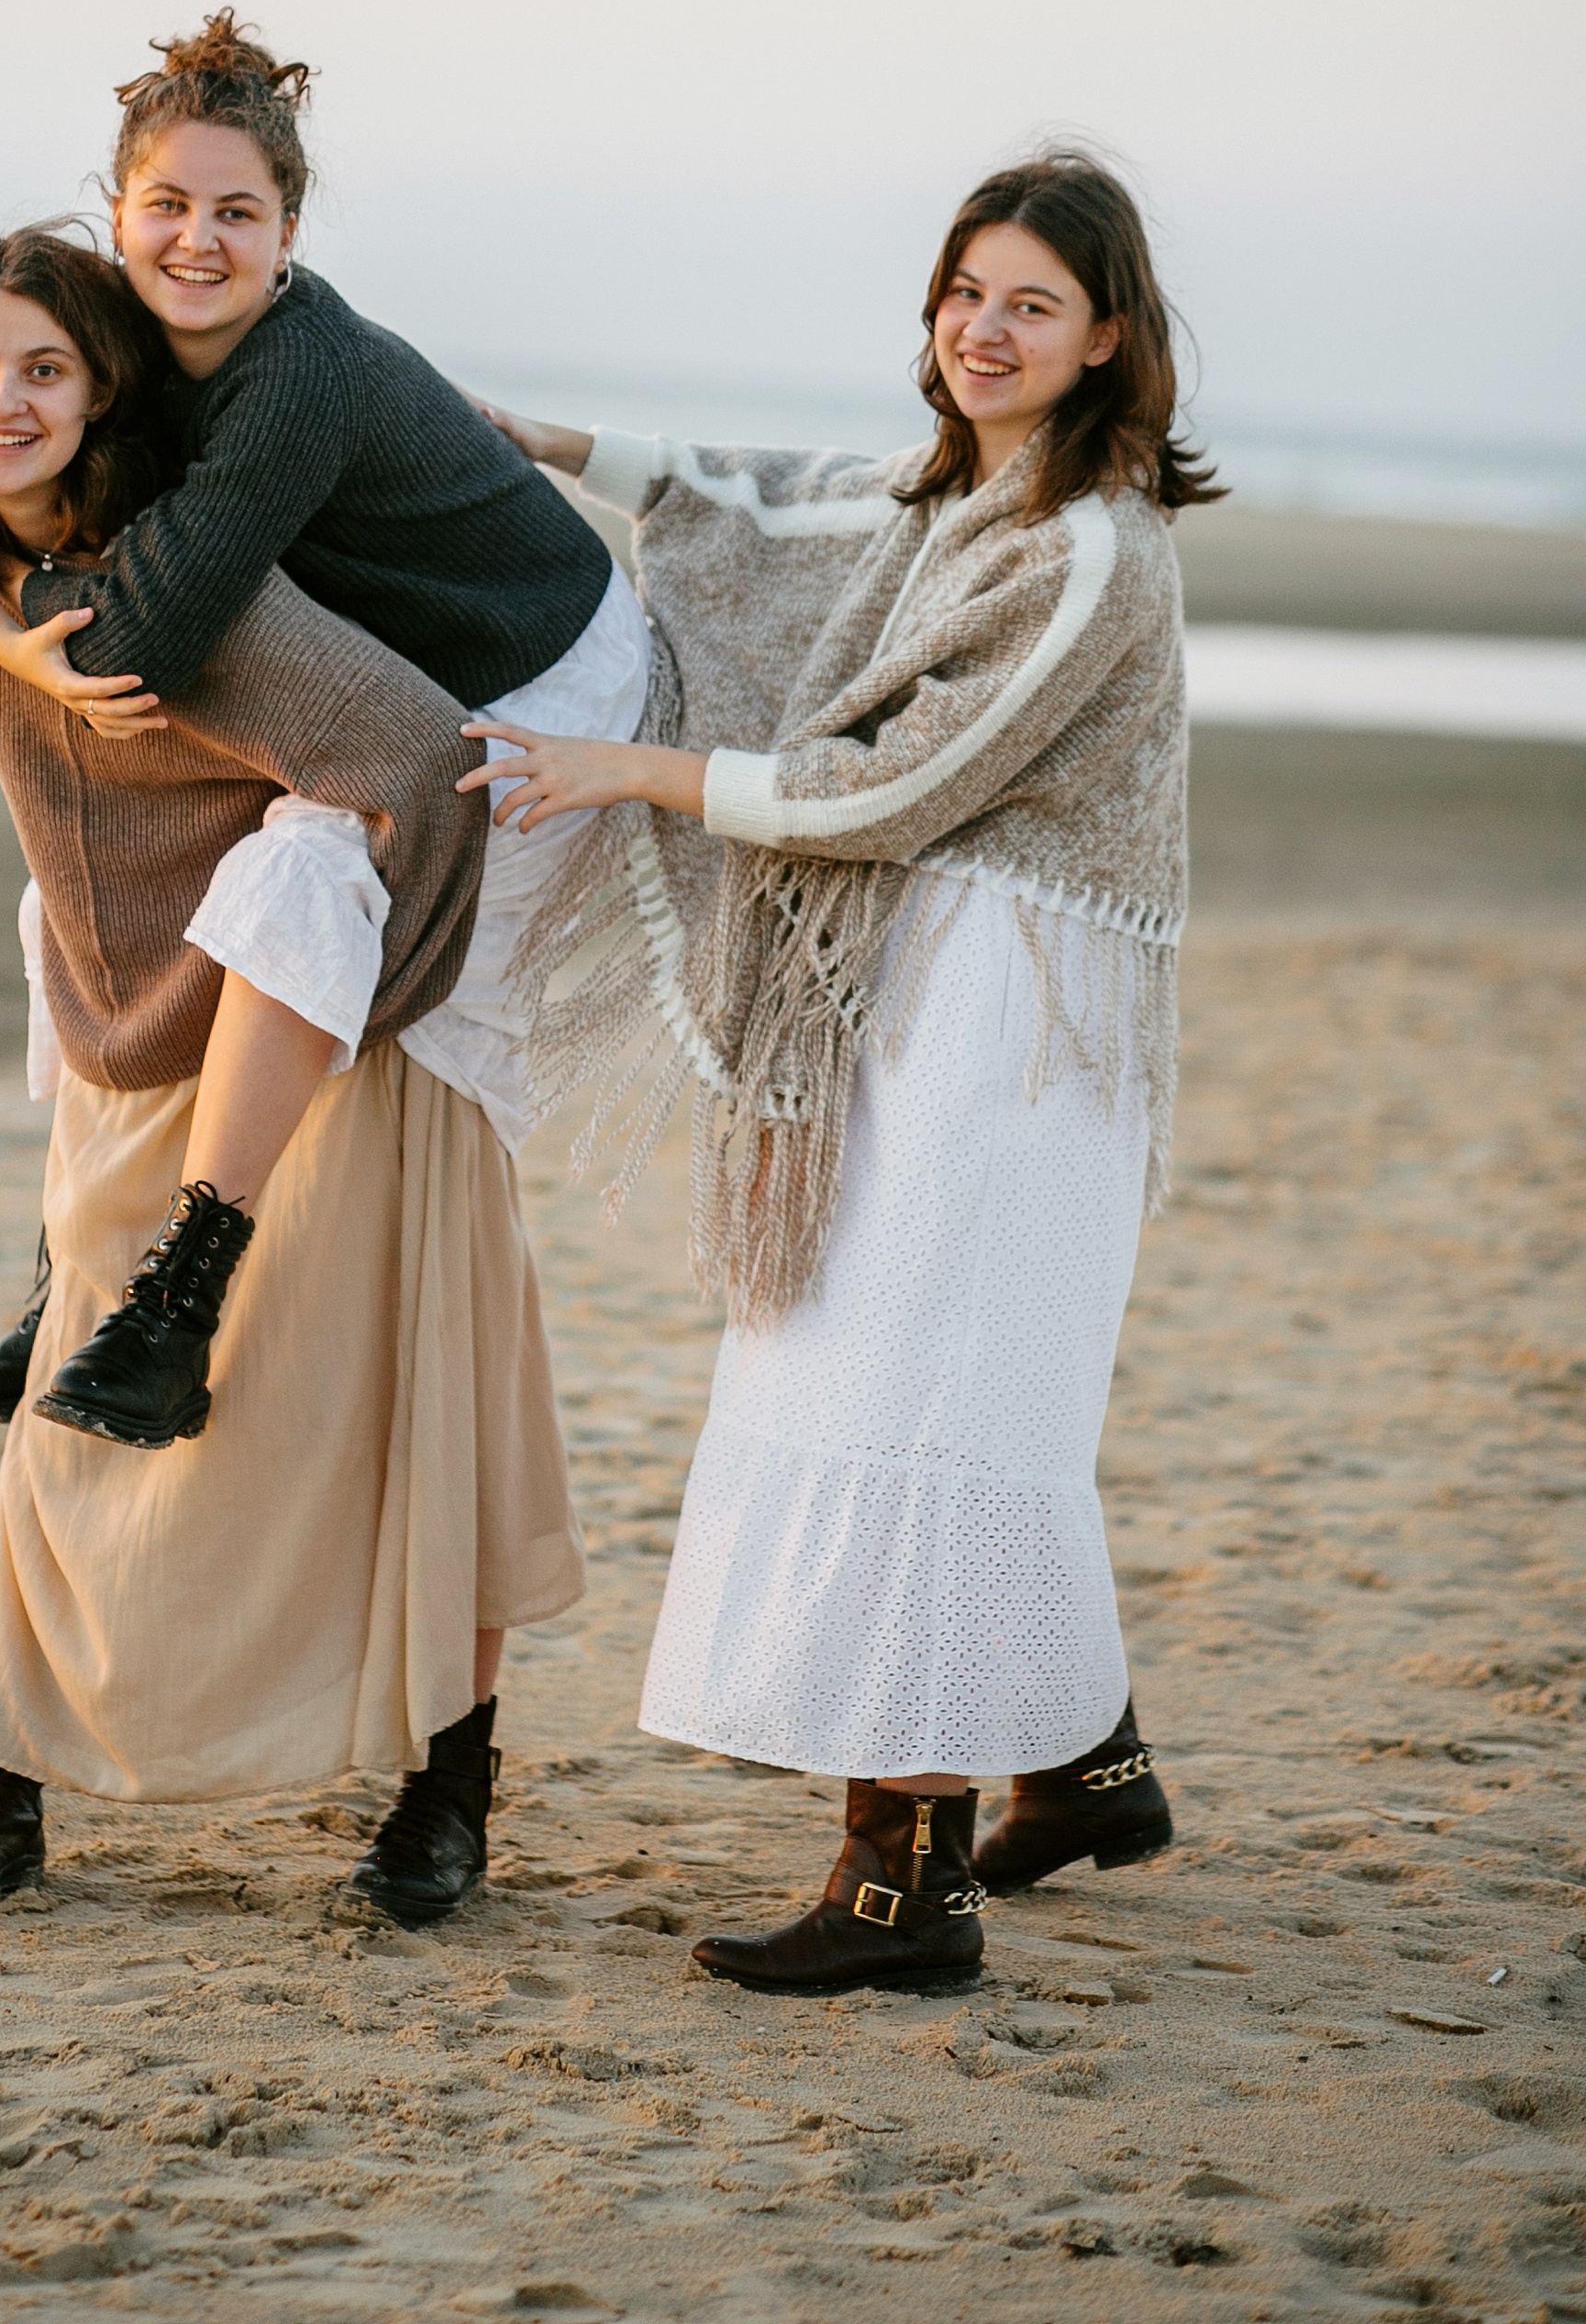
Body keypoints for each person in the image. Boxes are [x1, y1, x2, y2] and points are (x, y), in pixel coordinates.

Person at [460, 152, 1211, 1992]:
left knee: (925, 1401)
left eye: (1028, 302)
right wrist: (524, 437)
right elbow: (756, 502)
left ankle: (903, 1887)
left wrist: (626, 774)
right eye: (963, 290)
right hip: (927, 993)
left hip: (1011, 1027)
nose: (980, 327)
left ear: (1106, 335)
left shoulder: (1085, 548)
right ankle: (1084, 1763)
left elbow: (892, 785)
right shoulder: (950, 491)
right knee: (944, 1388)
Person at [0, 224, 583, 1927]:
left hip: (333, 1016)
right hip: (142, 1013)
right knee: (80, 1417)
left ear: (107, 391)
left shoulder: (180, 585)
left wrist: (391, 995)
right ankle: (3, 1776)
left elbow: (420, 756)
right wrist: (13, 632)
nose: (3, 399)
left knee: (412, 1401)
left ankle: (449, 1787)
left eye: (46, 368)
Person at [0, 16, 649, 1448]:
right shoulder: (115, 322)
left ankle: (173, 1319)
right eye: (166, 206)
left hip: (537, 691)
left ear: (290, 230)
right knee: (95, 896)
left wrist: (47, 593)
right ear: (116, 212)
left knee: (293, 885)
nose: (196, 243)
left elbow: (146, 634)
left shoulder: (297, 372)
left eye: (238, 213)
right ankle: (74, 1286)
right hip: (383, 669)